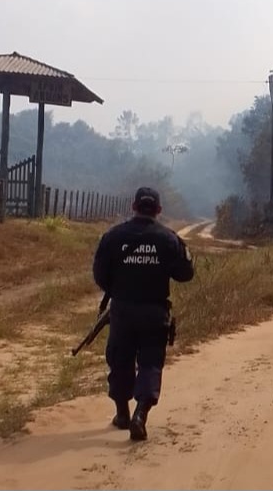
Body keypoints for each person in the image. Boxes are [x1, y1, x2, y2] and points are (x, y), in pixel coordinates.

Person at [92, 186, 195, 441]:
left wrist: (119, 288)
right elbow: (185, 274)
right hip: (155, 312)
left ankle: (122, 414)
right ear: (159, 210)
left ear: (133, 207)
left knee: (120, 361)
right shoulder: (169, 239)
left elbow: (100, 275)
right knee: (150, 363)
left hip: (123, 311)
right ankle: (140, 415)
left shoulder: (113, 237)